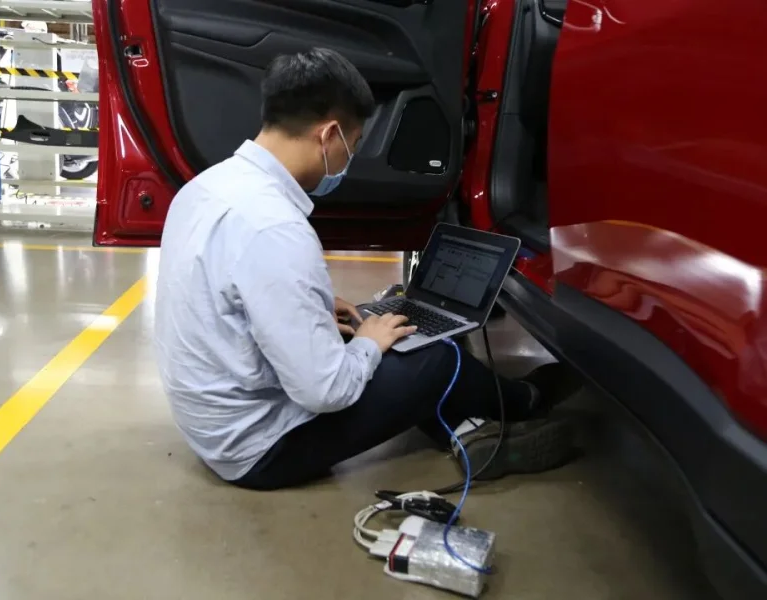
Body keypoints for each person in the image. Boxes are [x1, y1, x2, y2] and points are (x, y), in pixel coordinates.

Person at [155, 48, 577, 491]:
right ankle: (527, 400)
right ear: (329, 135)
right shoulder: (275, 227)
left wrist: (316, 307)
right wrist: (369, 346)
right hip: (260, 449)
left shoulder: (206, 187)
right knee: (435, 357)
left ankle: (468, 434)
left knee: (389, 336)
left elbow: (230, 295)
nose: (349, 159)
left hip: (215, 427)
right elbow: (325, 392)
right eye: (354, 145)